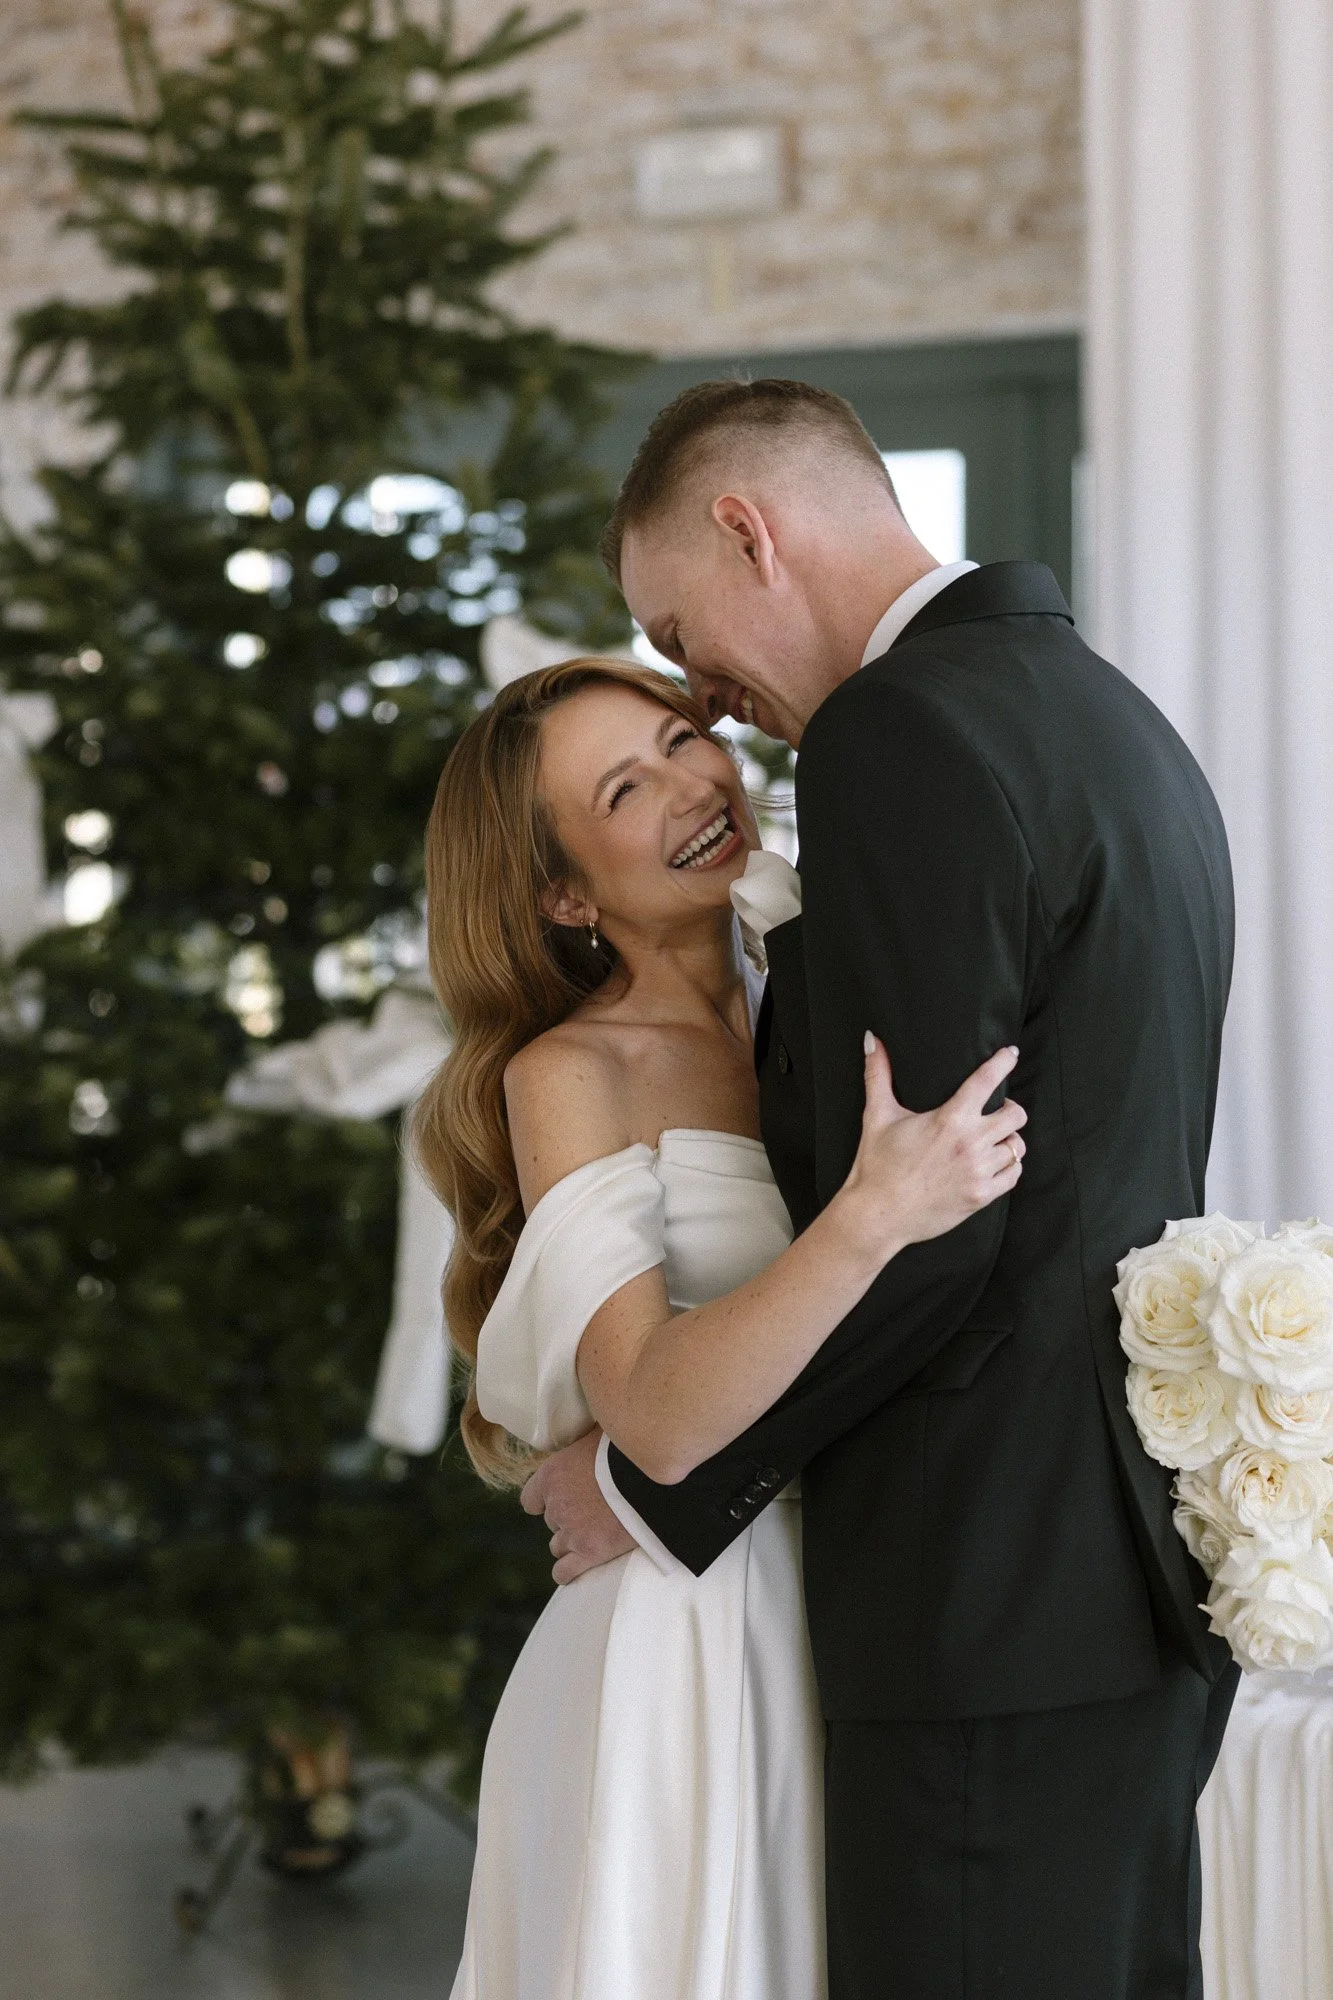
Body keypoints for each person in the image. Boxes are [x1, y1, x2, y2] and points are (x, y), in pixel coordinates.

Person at [525, 378, 1241, 2000]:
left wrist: (655, 1485)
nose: (699, 692)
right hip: (1119, 1570)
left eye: (676, 631)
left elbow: (928, 1228)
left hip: (981, 1587)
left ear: (746, 531)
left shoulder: (896, 731)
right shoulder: (1104, 710)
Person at [413, 656, 1026, 2000]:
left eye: (684, 737)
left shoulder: (824, 977)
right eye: (627, 789)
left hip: (859, 1601)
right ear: (564, 894)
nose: (697, 784)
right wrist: (872, 1216)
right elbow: (655, 1412)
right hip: (686, 1643)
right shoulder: (572, 1073)